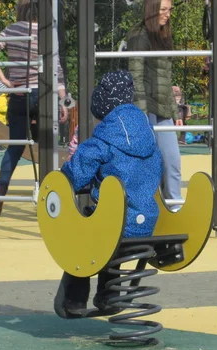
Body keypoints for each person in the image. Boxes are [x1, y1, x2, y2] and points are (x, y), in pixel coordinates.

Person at [53, 70, 163, 318]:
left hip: (115, 227)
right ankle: (109, 294)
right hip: (147, 223)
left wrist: (65, 178)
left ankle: (73, 299)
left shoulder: (102, 141)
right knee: (110, 232)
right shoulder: (148, 139)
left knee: (83, 236)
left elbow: (76, 173)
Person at [0, 0, 68, 219]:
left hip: (19, 95)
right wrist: (64, 100)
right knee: (46, 146)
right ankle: (47, 197)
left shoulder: (12, 30)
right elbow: (56, 69)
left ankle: (0, 195)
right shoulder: (48, 32)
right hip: (42, 96)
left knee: (15, 147)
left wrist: (4, 79)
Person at [126, 0, 183, 205]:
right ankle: (146, 204)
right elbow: (136, 75)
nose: (168, 14)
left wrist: (175, 112)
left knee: (172, 160)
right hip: (146, 107)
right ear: (152, 10)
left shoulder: (163, 35)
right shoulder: (139, 35)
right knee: (148, 162)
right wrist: (140, 114)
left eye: (170, 10)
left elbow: (165, 78)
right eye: (163, 10)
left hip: (162, 107)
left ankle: (174, 204)